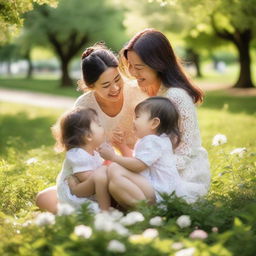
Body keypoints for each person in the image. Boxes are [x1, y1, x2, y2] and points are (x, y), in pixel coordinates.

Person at [35, 43, 146, 213]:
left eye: (117, 79)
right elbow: (80, 151)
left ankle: (101, 210)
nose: (115, 88)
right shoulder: (84, 106)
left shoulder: (138, 93)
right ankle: (95, 210)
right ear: (91, 86)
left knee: (120, 189)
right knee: (43, 198)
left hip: (135, 166)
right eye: (106, 85)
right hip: (98, 173)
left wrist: (121, 152)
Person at [107, 28, 211, 205]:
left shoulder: (176, 96)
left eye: (138, 67)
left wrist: (146, 166)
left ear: (158, 64)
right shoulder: (149, 89)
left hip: (181, 178)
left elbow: (188, 152)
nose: (132, 72)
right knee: (111, 176)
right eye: (130, 65)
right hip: (157, 171)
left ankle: (152, 213)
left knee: (116, 178)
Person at [99, 97, 204, 208]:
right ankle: (134, 208)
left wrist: (113, 157)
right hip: (155, 189)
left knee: (115, 169)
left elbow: (138, 166)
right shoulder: (156, 140)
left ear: (154, 123)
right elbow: (135, 163)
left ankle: (146, 209)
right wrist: (122, 145)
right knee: (114, 182)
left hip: (160, 192)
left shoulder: (153, 142)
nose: (133, 121)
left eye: (137, 117)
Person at [52, 107, 110, 211]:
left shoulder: (94, 152)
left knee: (102, 173)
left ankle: (104, 209)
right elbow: (87, 179)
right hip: (73, 197)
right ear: (88, 136)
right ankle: (104, 210)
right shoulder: (77, 154)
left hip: (86, 193)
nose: (103, 128)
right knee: (101, 174)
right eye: (99, 125)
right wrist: (106, 169)